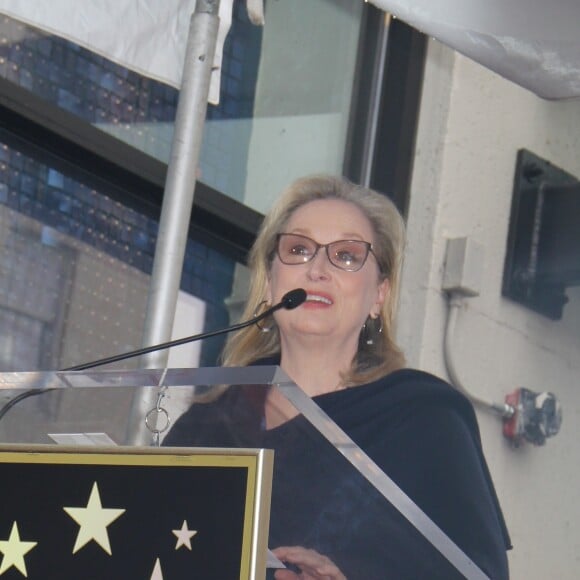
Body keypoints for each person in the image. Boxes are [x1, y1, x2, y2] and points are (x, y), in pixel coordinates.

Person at [164, 175, 511, 579]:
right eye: (298, 249)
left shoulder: (424, 419)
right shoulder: (206, 429)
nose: (317, 270)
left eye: (346, 256)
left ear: (379, 294)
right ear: (270, 281)